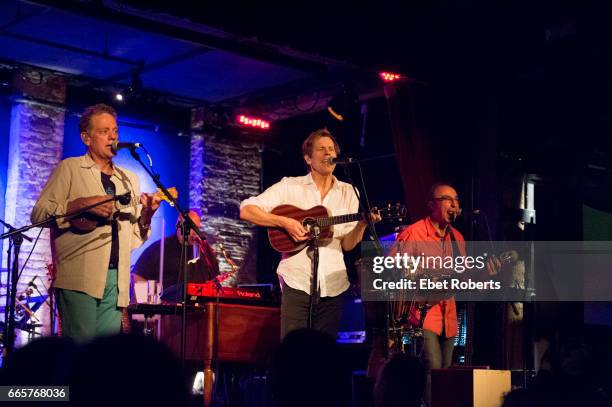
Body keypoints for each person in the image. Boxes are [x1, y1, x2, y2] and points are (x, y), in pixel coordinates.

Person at [31, 103, 161, 342]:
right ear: (86, 138)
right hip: (79, 275)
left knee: (102, 359)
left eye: (115, 130)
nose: (112, 136)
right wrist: (76, 206)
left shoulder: (129, 179)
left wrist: (148, 215)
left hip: (116, 279)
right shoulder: (70, 168)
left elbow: (132, 237)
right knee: (79, 355)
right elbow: (39, 213)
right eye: (104, 131)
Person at [240, 128, 380, 339]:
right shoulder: (290, 186)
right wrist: (284, 222)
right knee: (293, 351)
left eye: (331, 149)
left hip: (334, 285)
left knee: (323, 357)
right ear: (308, 158)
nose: (328, 153)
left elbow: (348, 245)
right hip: (297, 281)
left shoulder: (350, 192)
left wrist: (362, 225)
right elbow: (246, 209)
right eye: (322, 149)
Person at [395, 182, 500, 369]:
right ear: (431, 205)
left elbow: (466, 278)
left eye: (456, 200)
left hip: (449, 317)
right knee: (432, 369)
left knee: (444, 376)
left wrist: (484, 275)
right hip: (422, 315)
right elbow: (392, 270)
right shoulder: (414, 233)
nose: (454, 205)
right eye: (447, 199)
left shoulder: (457, 238)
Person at [132, 209, 219, 296]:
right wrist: (144, 301)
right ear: (179, 225)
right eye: (192, 227)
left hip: (198, 307)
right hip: (165, 307)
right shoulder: (160, 247)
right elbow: (138, 274)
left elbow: (215, 280)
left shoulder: (205, 253)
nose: (195, 232)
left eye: (197, 228)